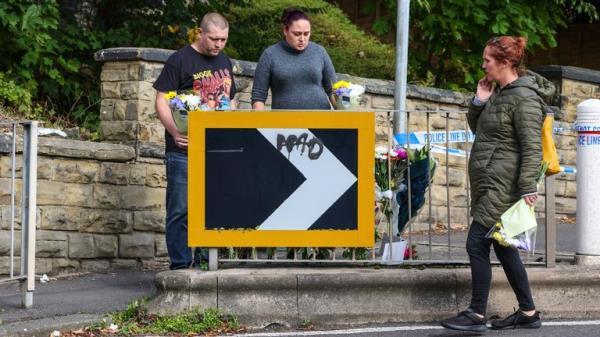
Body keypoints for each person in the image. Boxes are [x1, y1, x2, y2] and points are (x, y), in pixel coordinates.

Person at [440, 36, 555, 332]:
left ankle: (476, 313)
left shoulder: (525, 98)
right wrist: (479, 100)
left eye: (487, 61)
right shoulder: (501, 93)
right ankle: (528, 313)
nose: (483, 66)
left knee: (476, 243)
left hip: (503, 185)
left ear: (504, 63)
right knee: (504, 248)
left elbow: (532, 147)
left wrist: (528, 186)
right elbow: (481, 130)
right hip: (491, 180)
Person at [153, 12, 237, 270]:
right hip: (183, 150)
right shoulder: (179, 60)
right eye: (213, 39)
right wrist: (175, 132)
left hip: (214, 149)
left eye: (223, 39)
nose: (218, 45)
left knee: (211, 206)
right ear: (200, 33)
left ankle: (205, 262)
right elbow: (161, 100)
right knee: (180, 209)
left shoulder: (224, 61)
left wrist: (229, 119)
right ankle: (180, 266)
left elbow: (231, 98)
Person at [251, 8, 336, 110]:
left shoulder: (319, 51)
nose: (302, 39)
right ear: (285, 30)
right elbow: (258, 95)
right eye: (297, 34)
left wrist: (343, 115)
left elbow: (333, 89)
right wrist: (261, 123)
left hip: (321, 120)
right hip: (285, 122)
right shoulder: (270, 55)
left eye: (306, 34)